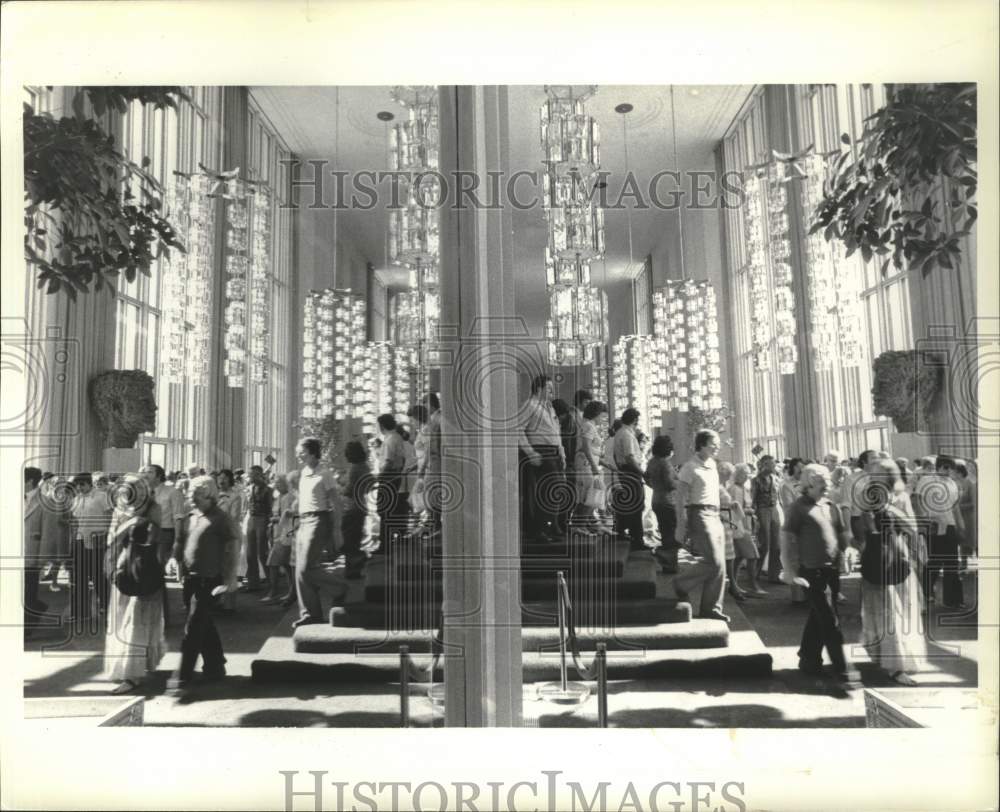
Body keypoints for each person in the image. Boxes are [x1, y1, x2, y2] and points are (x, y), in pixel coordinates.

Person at [781, 464, 855, 682]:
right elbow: (786, 541)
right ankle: (842, 668)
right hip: (810, 571)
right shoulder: (797, 508)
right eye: (823, 483)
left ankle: (808, 659)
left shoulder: (831, 506)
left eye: (828, 482)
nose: (827, 486)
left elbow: (842, 534)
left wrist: (847, 550)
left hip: (831, 569)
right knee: (830, 620)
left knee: (818, 616)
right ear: (809, 483)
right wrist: (788, 569)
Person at [858, 459, 927, 685]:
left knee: (898, 610)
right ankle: (889, 661)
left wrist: (916, 554)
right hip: (878, 559)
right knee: (886, 611)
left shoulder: (901, 497)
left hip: (897, 557)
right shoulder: (868, 497)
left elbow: (912, 527)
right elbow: (865, 530)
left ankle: (896, 662)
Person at [167, 475, 233, 696]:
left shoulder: (221, 518)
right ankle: (215, 665)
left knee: (193, 626)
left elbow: (233, 547)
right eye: (190, 493)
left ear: (208, 494)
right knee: (204, 622)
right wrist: (176, 560)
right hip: (191, 579)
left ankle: (182, 676)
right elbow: (184, 541)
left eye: (195, 494)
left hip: (210, 580)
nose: (190, 498)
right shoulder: (193, 515)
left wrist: (231, 578)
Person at [103, 475, 166, 695]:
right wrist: (109, 564)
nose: (129, 496)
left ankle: (132, 674)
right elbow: (111, 540)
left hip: (143, 570)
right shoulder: (121, 509)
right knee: (121, 619)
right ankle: (127, 667)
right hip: (123, 570)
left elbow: (155, 540)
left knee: (135, 620)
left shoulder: (153, 509)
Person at [673, 430, 729, 623]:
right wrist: (680, 525)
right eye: (714, 443)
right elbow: (679, 498)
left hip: (715, 514)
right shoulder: (689, 467)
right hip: (699, 514)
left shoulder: (713, 465)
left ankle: (711, 608)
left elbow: (714, 490)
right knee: (713, 561)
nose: (718, 446)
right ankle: (681, 583)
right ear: (702, 444)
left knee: (720, 565)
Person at [293, 437, 349, 627]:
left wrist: (337, 528)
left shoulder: (324, 474)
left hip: (318, 520)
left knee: (306, 567)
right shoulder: (303, 473)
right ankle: (310, 613)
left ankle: (339, 587)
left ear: (312, 452)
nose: (298, 454)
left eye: (301, 451)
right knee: (300, 570)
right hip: (303, 520)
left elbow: (336, 503)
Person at [518, 375, 566, 542]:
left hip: (554, 452)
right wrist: (530, 452)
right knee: (546, 492)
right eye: (549, 388)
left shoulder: (549, 407)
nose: (552, 391)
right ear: (539, 389)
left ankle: (551, 526)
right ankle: (540, 529)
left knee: (557, 491)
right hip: (541, 451)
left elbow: (556, 433)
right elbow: (518, 430)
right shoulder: (529, 405)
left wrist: (562, 453)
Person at [922, 454, 965, 609]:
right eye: (945, 468)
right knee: (934, 562)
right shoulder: (926, 481)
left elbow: (956, 507)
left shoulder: (953, 484)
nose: (948, 471)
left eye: (950, 468)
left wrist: (961, 526)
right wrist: (924, 520)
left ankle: (953, 600)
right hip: (932, 527)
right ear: (938, 466)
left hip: (950, 526)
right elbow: (917, 501)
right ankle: (926, 592)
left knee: (952, 563)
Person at [69, 472, 113, 621]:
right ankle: (80, 612)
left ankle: (106, 606)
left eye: (82, 484)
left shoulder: (101, 496)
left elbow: (109, 516)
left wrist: (106, 535)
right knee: (79, 577)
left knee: (98, 576)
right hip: (80, 540)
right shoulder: (76, 499)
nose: (80, 488)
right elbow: (75, 520)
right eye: (78, 485)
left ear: (90, 483)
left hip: (97, 540)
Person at [612, 408, 646, 551]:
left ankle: (622, 532)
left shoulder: (620, 432)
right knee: (636, 505)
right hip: (630, 470)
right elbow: (630, 457)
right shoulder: (626, 434)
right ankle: (637, 539)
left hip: (624, 470)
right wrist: (642, 472)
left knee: (628, 503)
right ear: (634, 420)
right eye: (637, 420)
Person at [729, 463, 765, 595]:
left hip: (747, 525)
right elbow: (734, 509)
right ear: (738, 474)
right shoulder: (735, 489)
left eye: (748, 474)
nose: (747, 477)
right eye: (745, 474)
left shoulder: (744, 488)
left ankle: (734, 585)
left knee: (739, 557)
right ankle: (753, 585)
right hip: (740, 526)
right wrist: (748, 511)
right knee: (752, 556)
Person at [644, 435, 679, 573]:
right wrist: (681, 482)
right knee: (672, 534)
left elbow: (646, 477)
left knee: (665, 533)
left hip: (656, 499)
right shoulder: (665, 463)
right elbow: (670, 484)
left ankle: (669, 565)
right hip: (668, 501)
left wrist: (655, 486)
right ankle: (667, 559)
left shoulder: (651, 462)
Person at [341, 441, 373, 579]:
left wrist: (339, 489)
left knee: (349, 540)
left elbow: (349, 490)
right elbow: (370, 484)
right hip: (361, 504)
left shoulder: (354, 468)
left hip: (351, 506)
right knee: (354, 538)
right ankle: (353, 570)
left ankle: (356, 563)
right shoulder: (364, 466)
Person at [573, 399, 608, 526]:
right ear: (596, 414)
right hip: (586, 464)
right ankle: (579, 525)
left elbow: (592, 448)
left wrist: (602, 463)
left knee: (591, 495)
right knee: (590, 495)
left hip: (589, 463)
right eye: (602, 416)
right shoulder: (588, 426)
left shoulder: (589, 425)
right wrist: (594, 466)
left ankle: (583, 524)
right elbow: (586, 447)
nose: (602, 419)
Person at [261, 474, 295, 604]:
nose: (276, 485)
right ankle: (291, 592)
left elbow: (284, 516)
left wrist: (274, 520)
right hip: (277, 533)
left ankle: (273, 592)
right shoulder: (278, 497)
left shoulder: (288, 497)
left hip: (284, 534)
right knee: (286, 565)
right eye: (275, 483)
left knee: (273, 563)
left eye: (279, 483)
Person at [375, 414, 406, 552]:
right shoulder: (398, 437)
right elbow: (402, 459)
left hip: (387, 476)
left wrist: (379, 477)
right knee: (391, 508)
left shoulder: (388, 441)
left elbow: (388, 462)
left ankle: (384, 545)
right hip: (397, 475)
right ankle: (391, 540)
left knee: (384, 509)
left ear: (382, 426)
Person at [750, 455, 782, 584]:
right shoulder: (756, 480)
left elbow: (778, 496)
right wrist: (754, 516)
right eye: (771, 464)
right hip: (762, 510)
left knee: (777, 544)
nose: (774, 466)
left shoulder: (775, 478)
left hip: (774, 509)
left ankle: (774, 575)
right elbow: (752, 499)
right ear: (764, 465)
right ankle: (755, 574)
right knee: (764, 544)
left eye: (774, 464)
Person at [23, 467, 47, 627]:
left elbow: (48, 533)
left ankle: (29, 624)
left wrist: (43, 559)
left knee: (29, 591)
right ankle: (37, 607)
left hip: (32, 554)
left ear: (30, 481)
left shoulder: (44, 502)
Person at [243, 465, 274, 593]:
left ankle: (272, 583)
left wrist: (269, 524)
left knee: (263, 553)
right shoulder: (249, 488)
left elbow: (271, 508)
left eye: (253, 474)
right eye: (250, 474)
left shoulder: (268, 490)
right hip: (251, 519)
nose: (250, 477)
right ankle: (253, 583)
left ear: (259, 475)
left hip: (263, 519)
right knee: (250, 553)